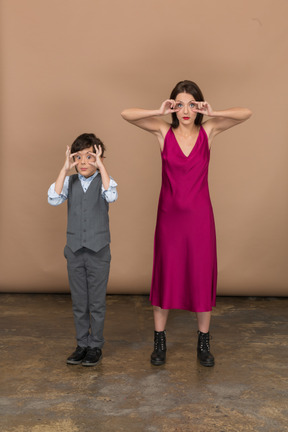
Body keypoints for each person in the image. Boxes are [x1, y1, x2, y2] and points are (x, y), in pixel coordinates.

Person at [121, 80, 252, 367]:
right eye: (179, 104)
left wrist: (214, 113)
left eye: (191, 104)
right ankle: (159, 341)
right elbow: (126, 114)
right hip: (169, 218)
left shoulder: (209, 130)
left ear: (199, 107)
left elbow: (246, 113)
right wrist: (157, 110)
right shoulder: (162, 131)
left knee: (201, 276)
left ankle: (203, 343)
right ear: (172, 107)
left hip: (200, 218)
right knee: (166, 275)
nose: (185, 110)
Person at [48, 133, 118, 366]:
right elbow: (54, 199)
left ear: (99, 158)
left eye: (90, 156)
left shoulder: (105, 181)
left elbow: (111, 195)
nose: (85, 162)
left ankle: (95, 345)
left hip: (98, 251)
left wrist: (102, 167)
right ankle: (81, 344)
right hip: (75, 250)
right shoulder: (70, 182)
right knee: (80, 302)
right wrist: (65, 168)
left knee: (96, 302)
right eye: (79, 157)